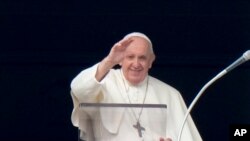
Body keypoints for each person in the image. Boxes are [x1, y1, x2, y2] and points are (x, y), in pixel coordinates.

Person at [70, 32, 202, 141]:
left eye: (142, 58)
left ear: (151, 61)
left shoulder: (170, 94)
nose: (136, 63)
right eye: (130, 57)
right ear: (120, 59)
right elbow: (79, 89)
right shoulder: (103, 83)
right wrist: (109, 61)